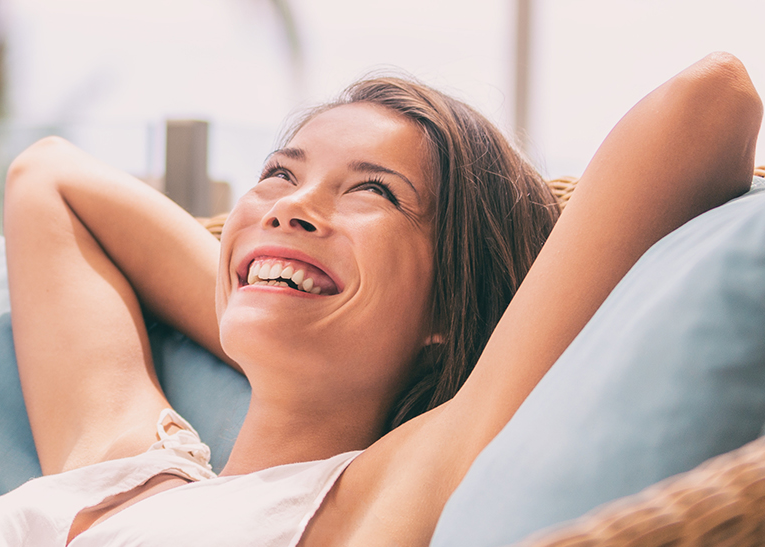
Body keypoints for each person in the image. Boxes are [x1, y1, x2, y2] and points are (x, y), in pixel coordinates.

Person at [0, 52, 761, 546]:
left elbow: (712, 100)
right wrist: (272, 291)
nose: (290, 205)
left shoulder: (381, 493)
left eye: (373, 189)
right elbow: (46, 176)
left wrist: (310, 298)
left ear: (447, 307)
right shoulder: (126, 459)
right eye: (279, 174)